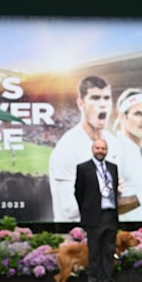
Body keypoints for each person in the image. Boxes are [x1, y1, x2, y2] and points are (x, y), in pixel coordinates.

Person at [50, 75, 120, 222]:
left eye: (106, 98)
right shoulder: (67, 147)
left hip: (107, 227)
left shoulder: (113, 142)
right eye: (95, 98)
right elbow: (69, 209)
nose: (102, 104)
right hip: (75, 235)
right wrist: (104, 191)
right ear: (81, 103)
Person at [74, 138, 123, 282]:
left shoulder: (113, 168)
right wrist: (87, 211)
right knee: (94, 254)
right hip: (94, 217)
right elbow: (78, 193)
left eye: (103, 148)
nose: (100, 151)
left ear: (107, 150)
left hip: (110, 215)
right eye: (98, 148)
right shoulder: (83, 168)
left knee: (108, 253)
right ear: (92, 149)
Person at [113, 88, 142, 222]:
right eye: (138, 114)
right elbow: (108, 204)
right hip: (125, 232)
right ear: (122, 117)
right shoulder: (114, 149)